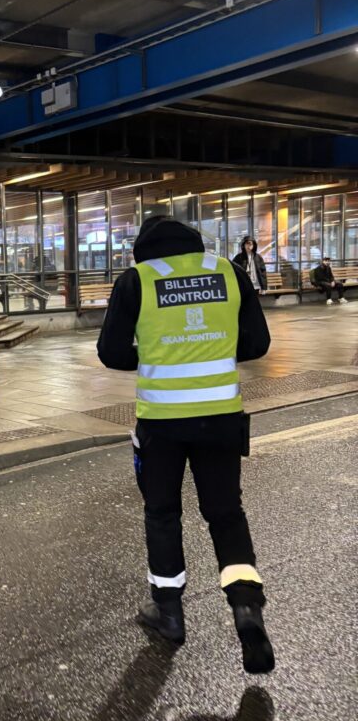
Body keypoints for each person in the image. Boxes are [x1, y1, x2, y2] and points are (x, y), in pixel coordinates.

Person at [98, 216, 275, 674]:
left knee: (162, 514)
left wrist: (157, 353)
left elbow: (111, 351)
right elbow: (257, 343)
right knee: (225, 513)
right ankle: (245, 607)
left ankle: (169, 613)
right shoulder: (229, 272)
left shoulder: (137, 280)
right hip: (220, 418)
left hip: (162, 425)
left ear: (144, 248)